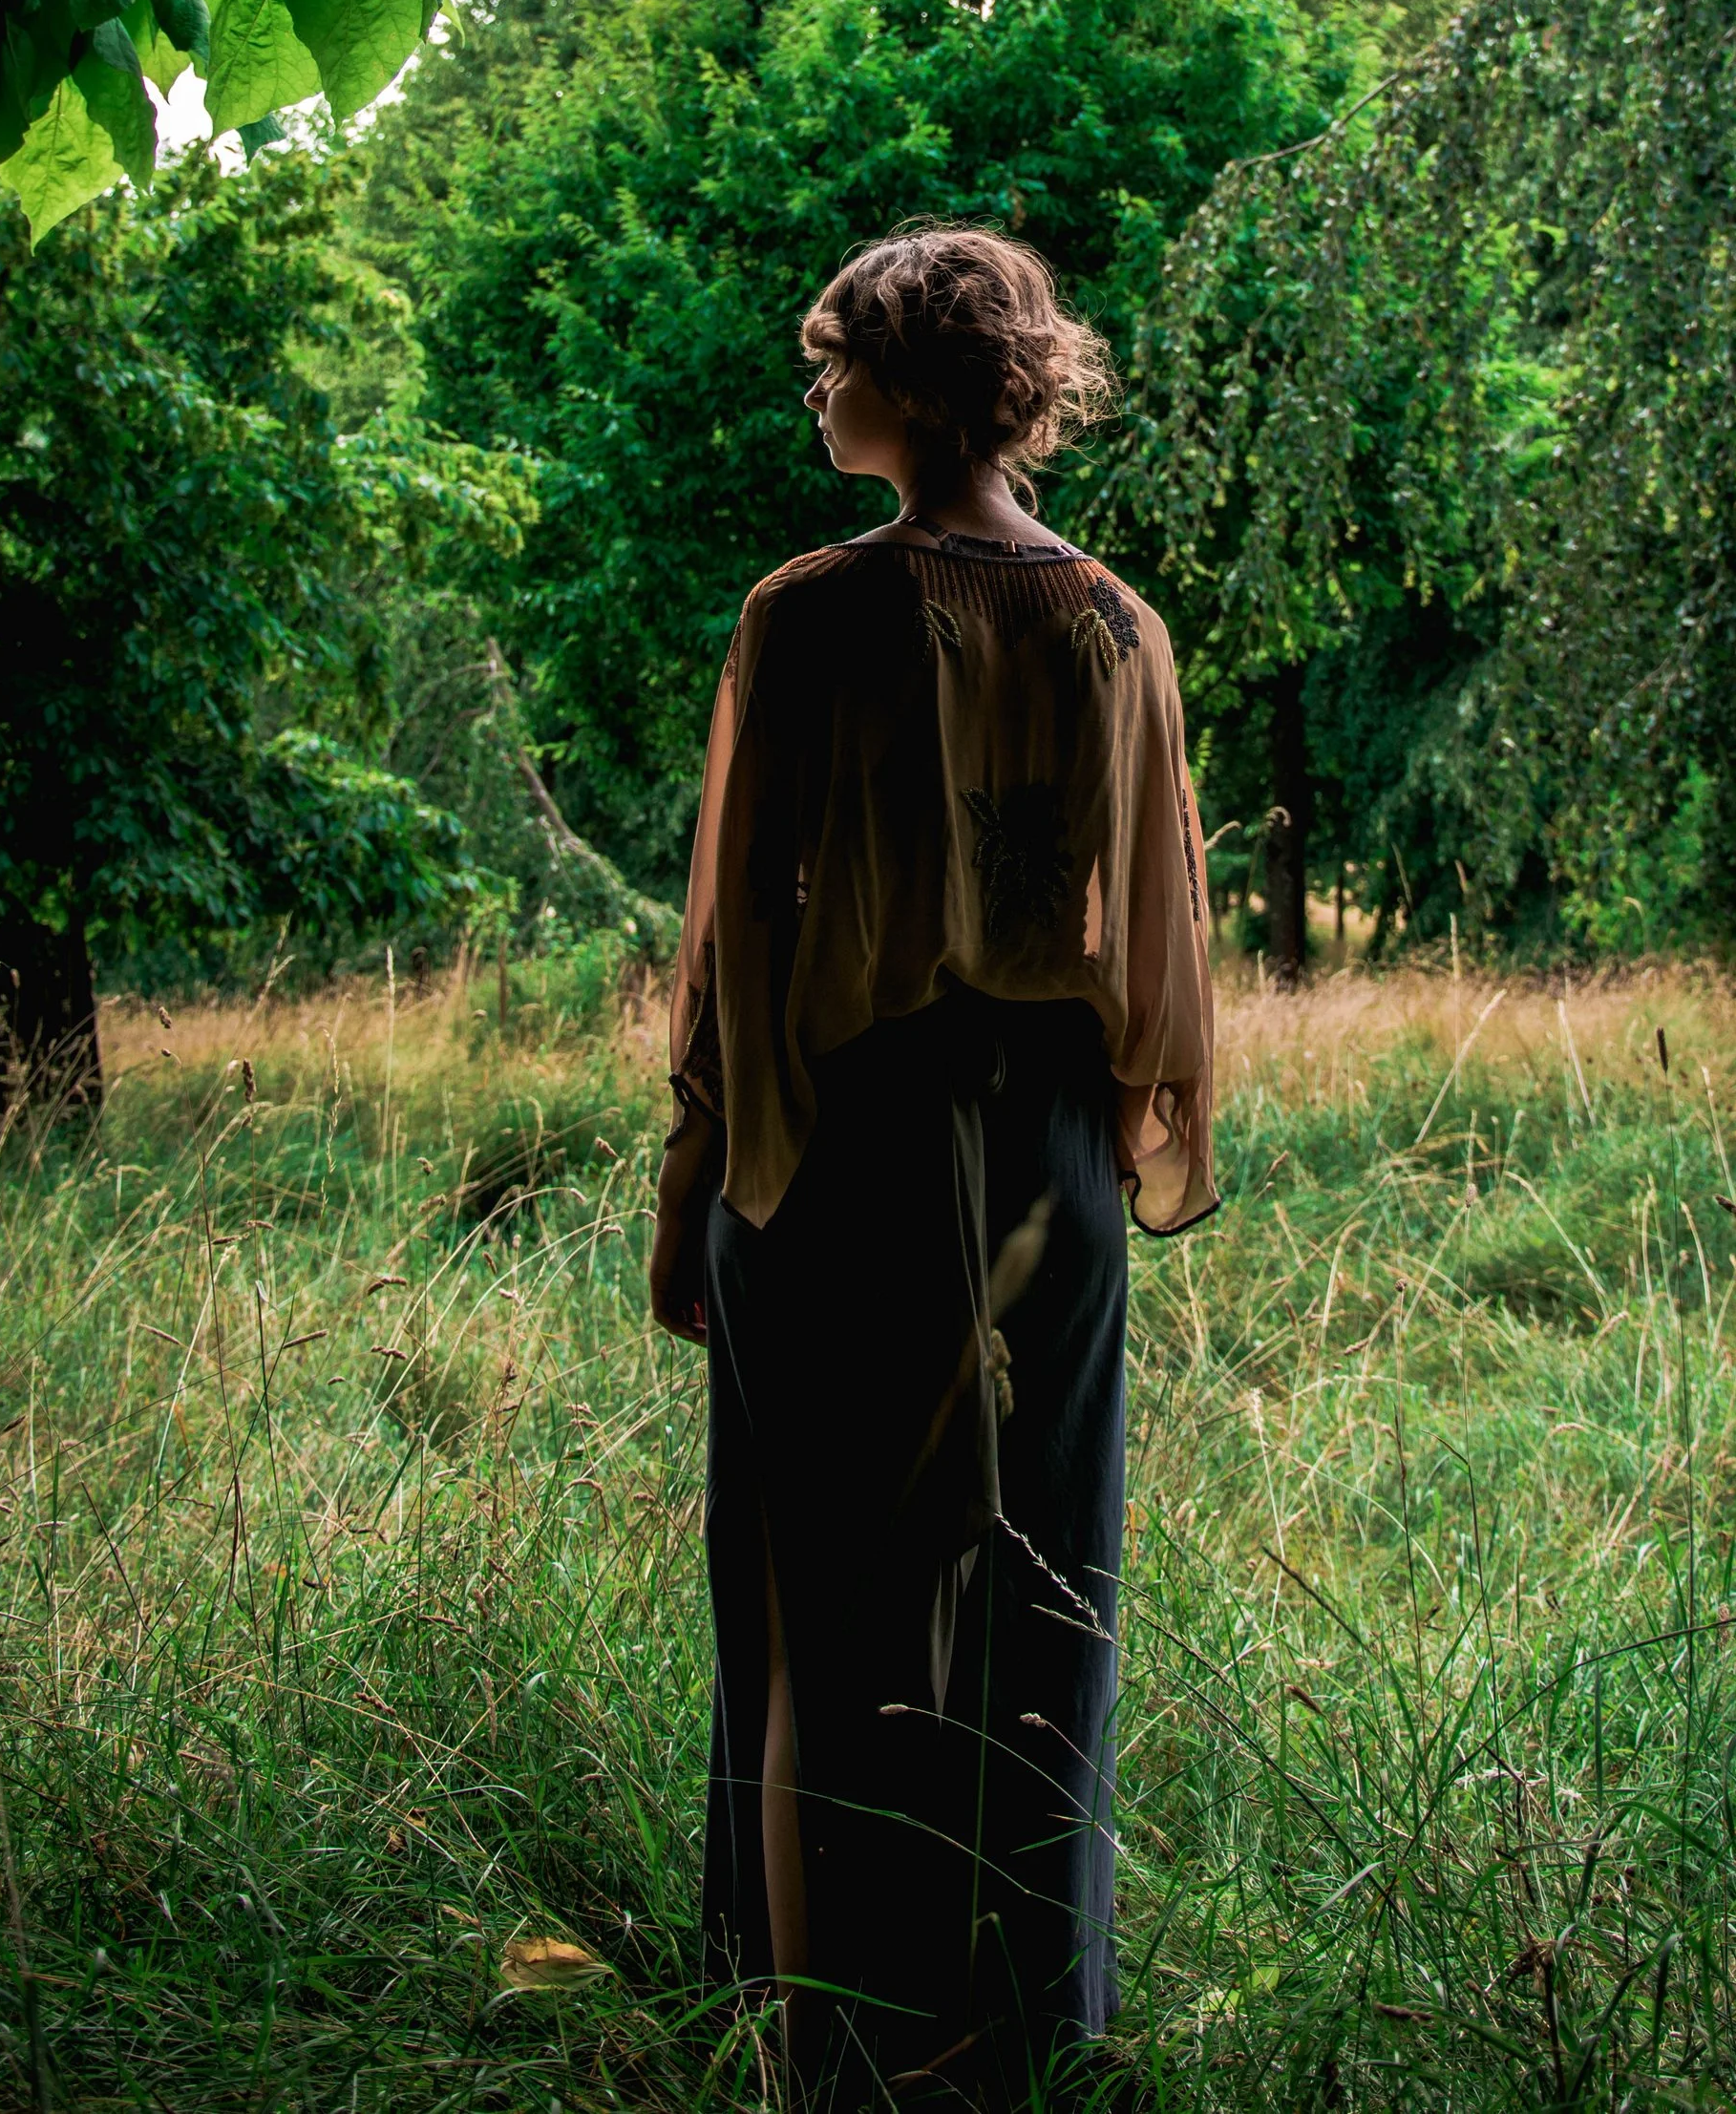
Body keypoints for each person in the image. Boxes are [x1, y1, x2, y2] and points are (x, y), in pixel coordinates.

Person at [650, 224, 1217, 2107]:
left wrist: (693, 1175)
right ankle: (1027, 2028)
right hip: (1051, 1147)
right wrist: (1107, 1131)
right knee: (1044, 1587)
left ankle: (830, 2049)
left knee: (819, 1588)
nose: (815, 389)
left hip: (843, 1139)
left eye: (836, 360)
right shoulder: (1109, 628)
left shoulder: (805, 616)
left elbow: (739, 940)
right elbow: (1151, 958)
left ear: (909, 387)